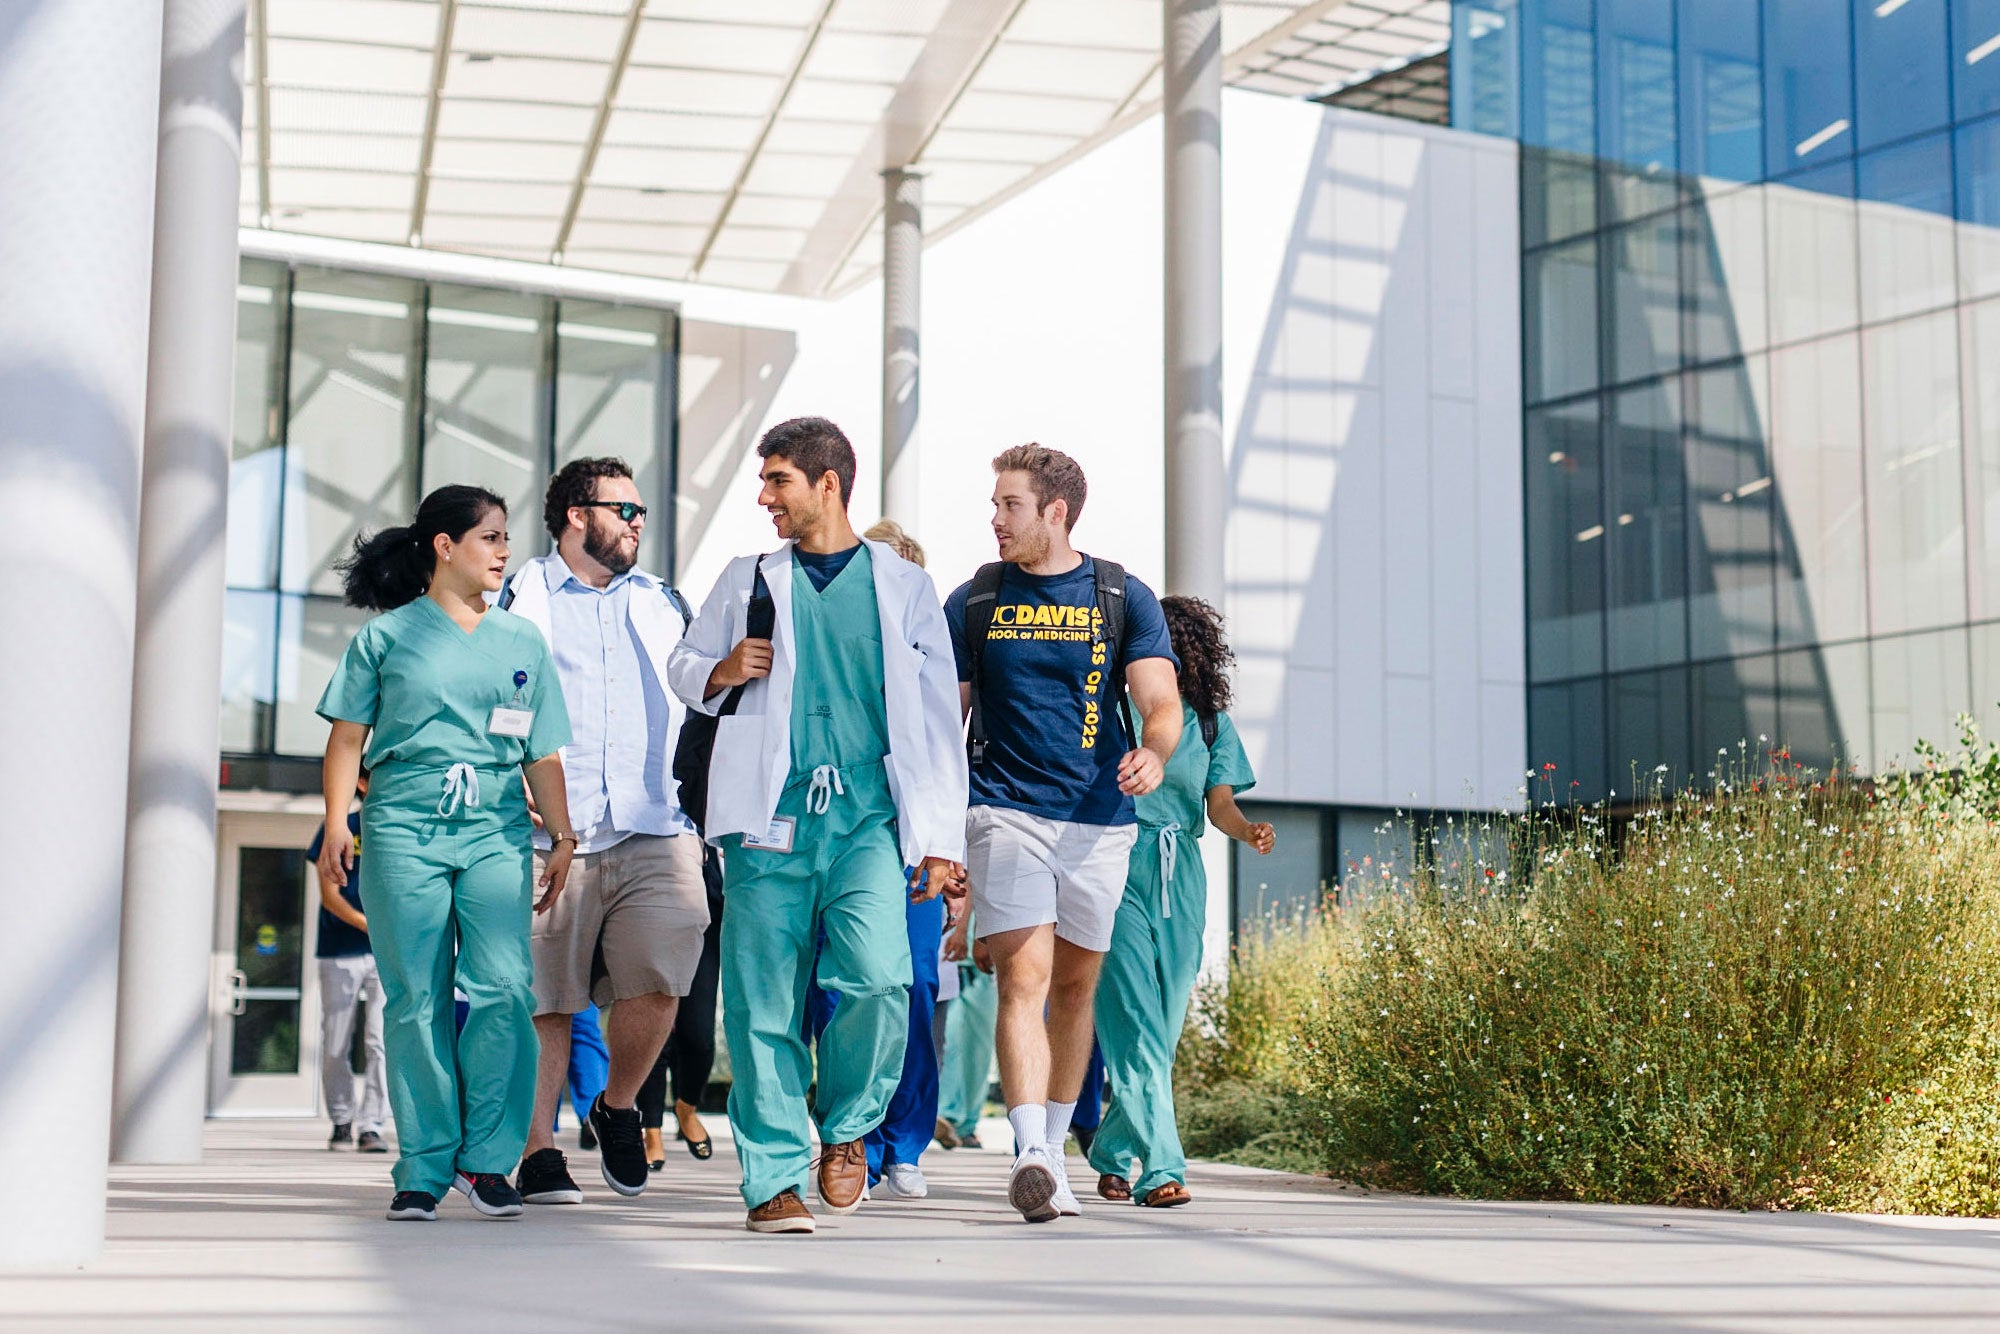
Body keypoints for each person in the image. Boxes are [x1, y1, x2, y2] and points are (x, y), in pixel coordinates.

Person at [666, 417, 968, 1235]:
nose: (765, 497)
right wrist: (722, 672)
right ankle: (769, 1178)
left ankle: (845, 1128)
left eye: (778, 481)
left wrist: (943, 839)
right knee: (762, 1005)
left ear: (826, 483)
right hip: (768, 819)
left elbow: (940, 719)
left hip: (868, 819)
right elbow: (684, 668)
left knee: (878, 979)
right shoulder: (746, 578)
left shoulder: (902, 588)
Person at [317, 484, 577, 1223]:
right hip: (402, 824)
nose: (503, 552)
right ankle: (424, 1166)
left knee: (503, 989)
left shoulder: (521, 640)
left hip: (496, 827)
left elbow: (541, 750)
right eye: (491, 538)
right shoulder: (386, 637)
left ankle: (490, 1161)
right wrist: (339, 822)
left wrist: (561, 835)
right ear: (444, 546)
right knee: (415, 999)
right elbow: (345, 739)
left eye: (504, 538)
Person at [945, 444, 1182, 1223]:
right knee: (1025, 978)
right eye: (995, 504)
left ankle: (1054, 1147)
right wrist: (941, 829)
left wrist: (1154, 750)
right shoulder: (976, 599)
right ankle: (1030, 1151)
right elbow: (950, 721)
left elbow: (1161, 701)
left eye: (1009, 505)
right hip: (1005, 809)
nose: (995, 519)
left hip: (1100, 819)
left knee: (1077, 989)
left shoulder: (1121, 594)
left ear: (1055, 512)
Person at [500, 456, 710, 1206]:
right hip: (549, 830)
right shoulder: (517, 596)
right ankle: (538, 1151)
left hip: (656, 822)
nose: (638, 523)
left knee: (661, 977)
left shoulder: (663, 602)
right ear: (576, 516)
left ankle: (618, 1104)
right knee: (546, 999)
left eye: (641, 511)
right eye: (624, 509)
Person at [1090, 596, 1274, 1207]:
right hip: (1116, 863)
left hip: (1181, 877)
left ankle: (1112, 1150)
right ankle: (1162, 1168)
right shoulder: (1112, 709)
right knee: (1136, 1019)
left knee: (1162, 1032)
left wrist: (1248, 830)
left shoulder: (1212, 723)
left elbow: (1217, 804)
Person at [797, 519, 949, 1201]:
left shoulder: (926, 644)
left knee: (908, 989)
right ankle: (843, 1129)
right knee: (833, 992)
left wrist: (952, 847)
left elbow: (949, 741)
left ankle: (903, 1142)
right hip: (826, 834)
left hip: (907, 845)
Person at [306, 774, 387, 1155]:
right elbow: (329, 896)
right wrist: (373, 925)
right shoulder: (339, 827)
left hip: (388, 954)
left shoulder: (395, 828)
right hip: (340, 950)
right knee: (336, 1041)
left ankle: (372, 1125)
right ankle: (341, 1119)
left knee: (381, 1041)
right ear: (362, 783)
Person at [634, 842, 725, 1167]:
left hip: (705, 901)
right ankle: (652, 1131)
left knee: (698, 1034)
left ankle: (687, 1107)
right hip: (650, 894)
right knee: (652, 1028)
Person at [935, 912, 996, 1151]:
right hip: (949, 952)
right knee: (948, 1040)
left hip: (986, 956)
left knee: (979, 1048)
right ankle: (945, 1113)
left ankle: (966, 1125)